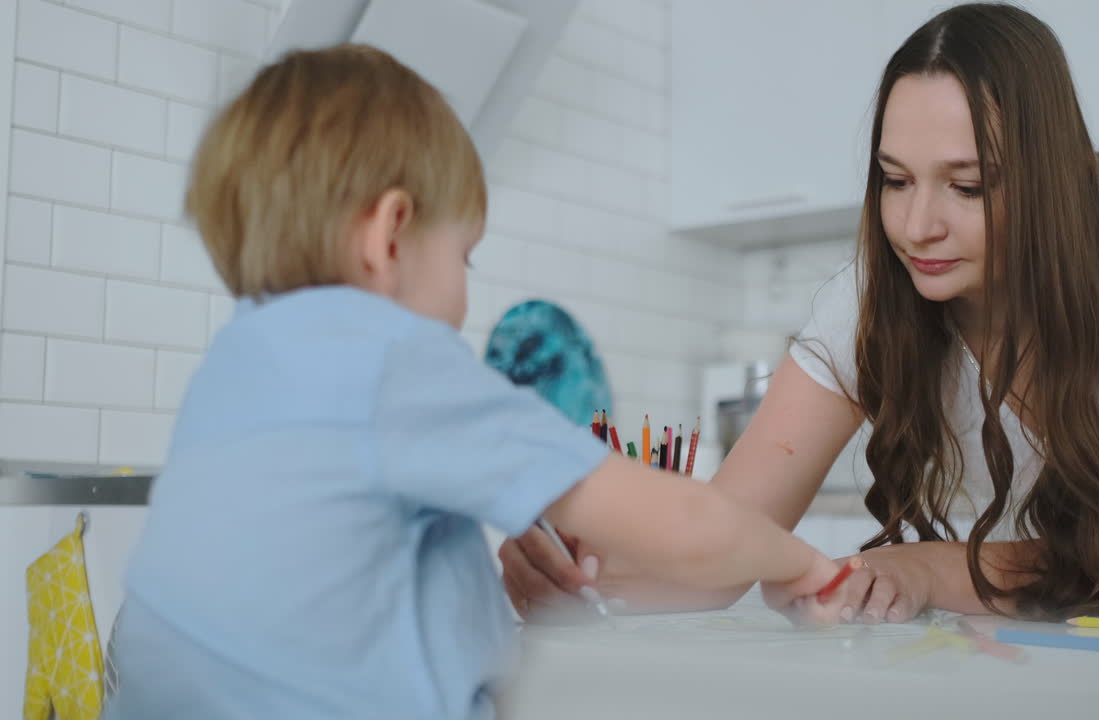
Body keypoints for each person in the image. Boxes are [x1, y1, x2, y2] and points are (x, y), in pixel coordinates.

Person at [101, 45, 852, 720]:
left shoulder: (236, 364)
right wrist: (805, 564)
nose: (464, 294)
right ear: (389, 234)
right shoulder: (392, 359)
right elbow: (682, 523)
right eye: (466, 255)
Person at [500, 2, 1099, 624]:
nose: (916, 226)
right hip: (1074, 623)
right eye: (895, 180)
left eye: (967, 186)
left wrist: (924, 568)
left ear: (1048, 180)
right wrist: (587, 575)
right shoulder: (873, 297)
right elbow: (722, 537)